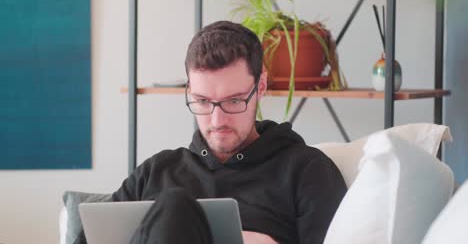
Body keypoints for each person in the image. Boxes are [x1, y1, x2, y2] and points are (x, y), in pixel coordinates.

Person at [76, 20, 347, 244]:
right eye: (203, 101)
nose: (217, 120)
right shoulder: (155, 172)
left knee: (175, 205)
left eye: (233, 100)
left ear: (261, 86)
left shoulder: (308, 171)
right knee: (173, 205)